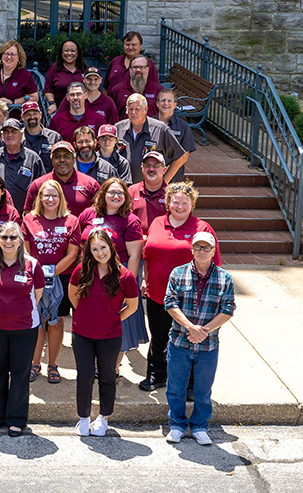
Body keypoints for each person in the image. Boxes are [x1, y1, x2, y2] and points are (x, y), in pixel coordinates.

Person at [141, 181, 221, 392]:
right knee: (159, 337)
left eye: (185, 203)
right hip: (157, 293)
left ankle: (190, 384)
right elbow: (147, 255)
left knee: (189, 339)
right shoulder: (157, 223)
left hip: (190, 298)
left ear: (192, 205)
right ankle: (156, 375)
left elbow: (215, 264)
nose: (179, 206)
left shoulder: (202, 228)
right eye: (175, 202)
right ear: (168, 203)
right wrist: (144, 278)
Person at [163, 232, 234, 446]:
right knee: (175, 388)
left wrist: (203, 331)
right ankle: (176, 424)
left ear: (214, 251)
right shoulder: (178, 273)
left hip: (208, 344)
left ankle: (200, 426)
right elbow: (170, 303)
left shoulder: (225, 278)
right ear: (192, 249)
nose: (202, 251)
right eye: (198, 247)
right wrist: (190, 328)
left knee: (203, 391)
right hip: (179, 341)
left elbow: (228, 309)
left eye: (207, 248)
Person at [68, 229, 139, 437]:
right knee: (85, 375)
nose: (100, 253)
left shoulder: (125, 276)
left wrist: (113, 319)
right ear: (89, 252)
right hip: (82, 333)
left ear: (111, 247)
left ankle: (104, 417)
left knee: (107, 375)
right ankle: (83, 417)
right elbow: (73, 295)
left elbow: (132, 307)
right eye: (95, 249)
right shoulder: (81, 270)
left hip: (110, 335)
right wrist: (84, 314)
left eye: (103, 247)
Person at [0, 222, 44, 438]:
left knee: (20, 373)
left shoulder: (33, 265)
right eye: (4, 237)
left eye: (13, 238)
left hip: (25, 328)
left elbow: (37, 294)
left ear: (20, 240)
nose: (8, 241)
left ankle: (16, 419)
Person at [23, 179, 80, 385]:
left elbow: (72, 254)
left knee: (56, 321)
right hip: (34, 278)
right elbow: (26, 250)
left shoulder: (71, 221)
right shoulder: (30, 219)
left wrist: (52, 272)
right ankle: (34, 363)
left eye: (54, 195)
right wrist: (39, 273)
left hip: (61, 278)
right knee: (37, 322)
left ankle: (53, 364)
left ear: (60, 198)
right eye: (46, 195)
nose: (50, 199)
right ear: (40, 198)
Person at [115, 93, 188, 184]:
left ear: (145, 109)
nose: (133, 113)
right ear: (126, 110)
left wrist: (164, 182)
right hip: (122, 189)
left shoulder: (160, 129)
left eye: (137, 109)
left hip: (149, 191)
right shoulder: (118, 128)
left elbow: (180, 157)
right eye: (130, 109)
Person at [23, 141, 102, 218]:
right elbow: (28, 216)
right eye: (57, 157)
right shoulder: (38, 184)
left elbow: (101, 212)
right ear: (52, 160)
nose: (62, 160)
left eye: (66, 156)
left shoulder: (90, 184)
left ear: (74, 159)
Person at [0, 119, 45, 212]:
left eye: (14, 132)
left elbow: (42, 187)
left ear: (21, 134)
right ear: (2, 136)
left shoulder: (33, 158)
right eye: (6, 132)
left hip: (25, 214)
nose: (10, 135)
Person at [155, 89, 197, 182]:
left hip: (173, 179)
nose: (166, 103)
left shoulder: (183, 126)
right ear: (157, 103)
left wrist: (165, 180)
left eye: (169, 101)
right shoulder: (148, 124)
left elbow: (184, 156)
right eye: (163, 100)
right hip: (150, 177)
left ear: (175, 105)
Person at [0, 40, 39, 105]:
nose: (9, 57)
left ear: (19, 58)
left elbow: (34, 97)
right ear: (1, 56)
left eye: (12, 54)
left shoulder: (25, 75)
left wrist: (13, 102)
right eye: (6, 53)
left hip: (14, 114)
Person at [43, 39, 87, 108]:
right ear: (61, 53)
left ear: (77, 53)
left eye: (73, 51)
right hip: (60, 111)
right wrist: (52, 103)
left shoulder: (84, 69)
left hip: (83, 111)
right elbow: (48, 90)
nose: (69, 53)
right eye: (66, 50)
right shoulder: (54, 69)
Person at [21, 101, 63, 173]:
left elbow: (61, 161)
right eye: (28, 114)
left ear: (40, 115)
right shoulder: (18, 138)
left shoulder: (54, 137)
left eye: (35, 114)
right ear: (22, 117)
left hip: (48, 181)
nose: (32, 117)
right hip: (25, 182)